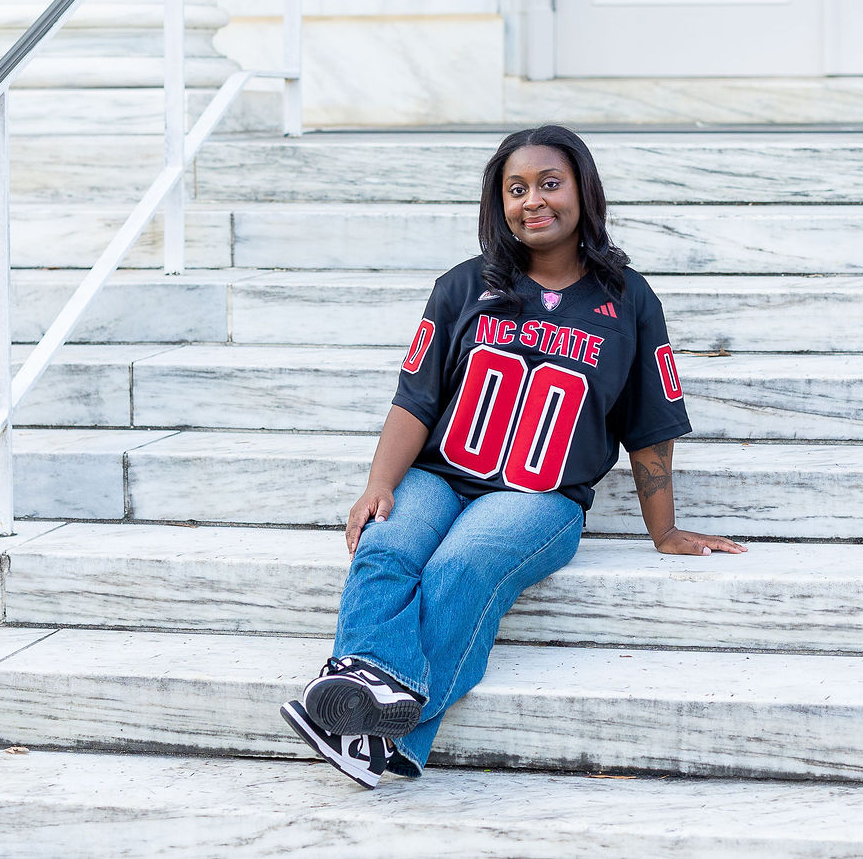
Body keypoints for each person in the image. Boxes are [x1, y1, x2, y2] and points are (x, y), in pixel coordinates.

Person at [279, 124, 747, 786]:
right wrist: (379, 482)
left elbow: (650, 425)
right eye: (516, 188)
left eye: (550, 183)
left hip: (541, 497)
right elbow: (415, 398)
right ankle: (374, 721)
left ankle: (357, 721)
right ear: (497, 203)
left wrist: (663, 529)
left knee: (460, 566)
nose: (534, 200)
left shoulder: (628, 300)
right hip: (440, 476)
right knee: (384, 545)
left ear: (583, 190)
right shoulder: (462, 286)